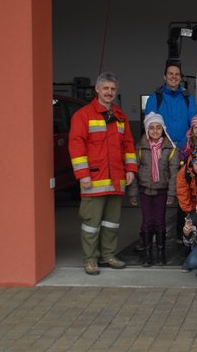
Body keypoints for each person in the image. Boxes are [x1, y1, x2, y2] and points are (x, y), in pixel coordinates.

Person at [69, 72, 138, 276]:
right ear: (97, 90)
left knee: (111, 222)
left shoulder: (120, 116)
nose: (109, 92)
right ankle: (90, 259)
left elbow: (128, 144)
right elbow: (76, 145)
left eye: (113, 89)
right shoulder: (83, 115)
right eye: (105, 88)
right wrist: (83, 174)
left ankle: (108, 255)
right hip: (93, 179)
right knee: (92, 223)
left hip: (116, 180)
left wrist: (131, 169)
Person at [127, 112, 179, 267]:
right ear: (146, 130)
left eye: (158, 128)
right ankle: (148, 253)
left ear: (163, 129)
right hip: (145, 190)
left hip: (162, 191)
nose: (155, 131)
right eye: (151, 128)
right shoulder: (140, 147)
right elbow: (134, 170)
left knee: (160, 221)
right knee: (147, 221)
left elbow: (174, 173)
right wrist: (133, 192)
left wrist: (171, 193)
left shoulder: (171, 148)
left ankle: (161, 252)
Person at [144, 60, 197, 150]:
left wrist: (186, 144)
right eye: (170, 73)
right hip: (161, 150)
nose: (174, 77)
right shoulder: (154, 98)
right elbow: (150, 127)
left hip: (185, 150)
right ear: (165, 76)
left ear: (180, 78)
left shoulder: (188, 98)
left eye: (177, 74)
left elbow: (194, 124)